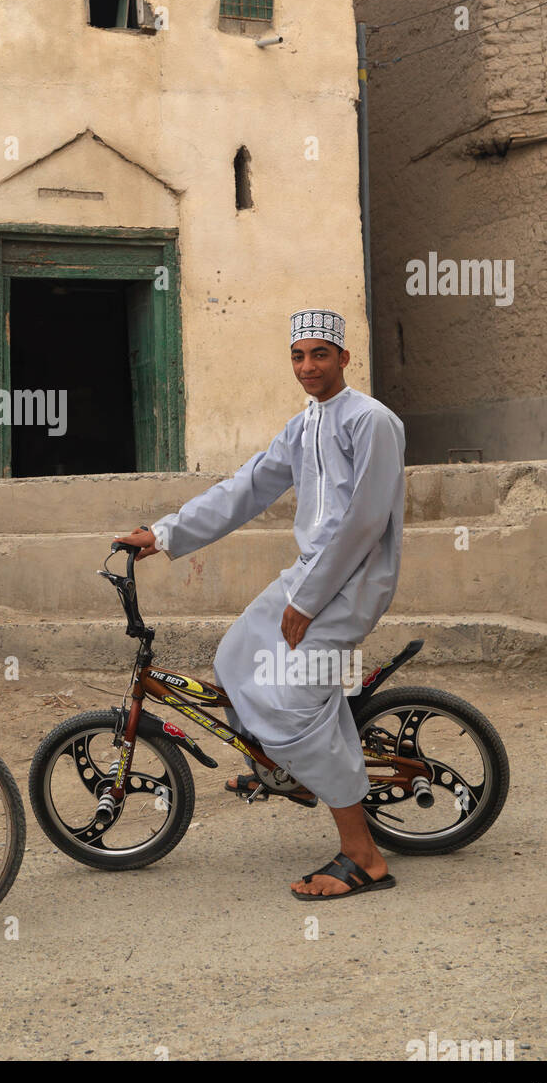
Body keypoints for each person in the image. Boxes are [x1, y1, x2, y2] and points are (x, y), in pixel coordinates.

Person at [118, 309, 405, 900]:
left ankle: (363, 856)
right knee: (235, 656)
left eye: (320, 355)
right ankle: (291, 773)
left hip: (350, 585)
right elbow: (246, 488)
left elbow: (363, 523)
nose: (307, 367)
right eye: (298, 356)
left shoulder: (373, 421)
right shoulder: (305, 425)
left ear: (344, 359)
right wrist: (164, 534)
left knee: (292, 707)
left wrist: (307, 599)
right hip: (309, 577)